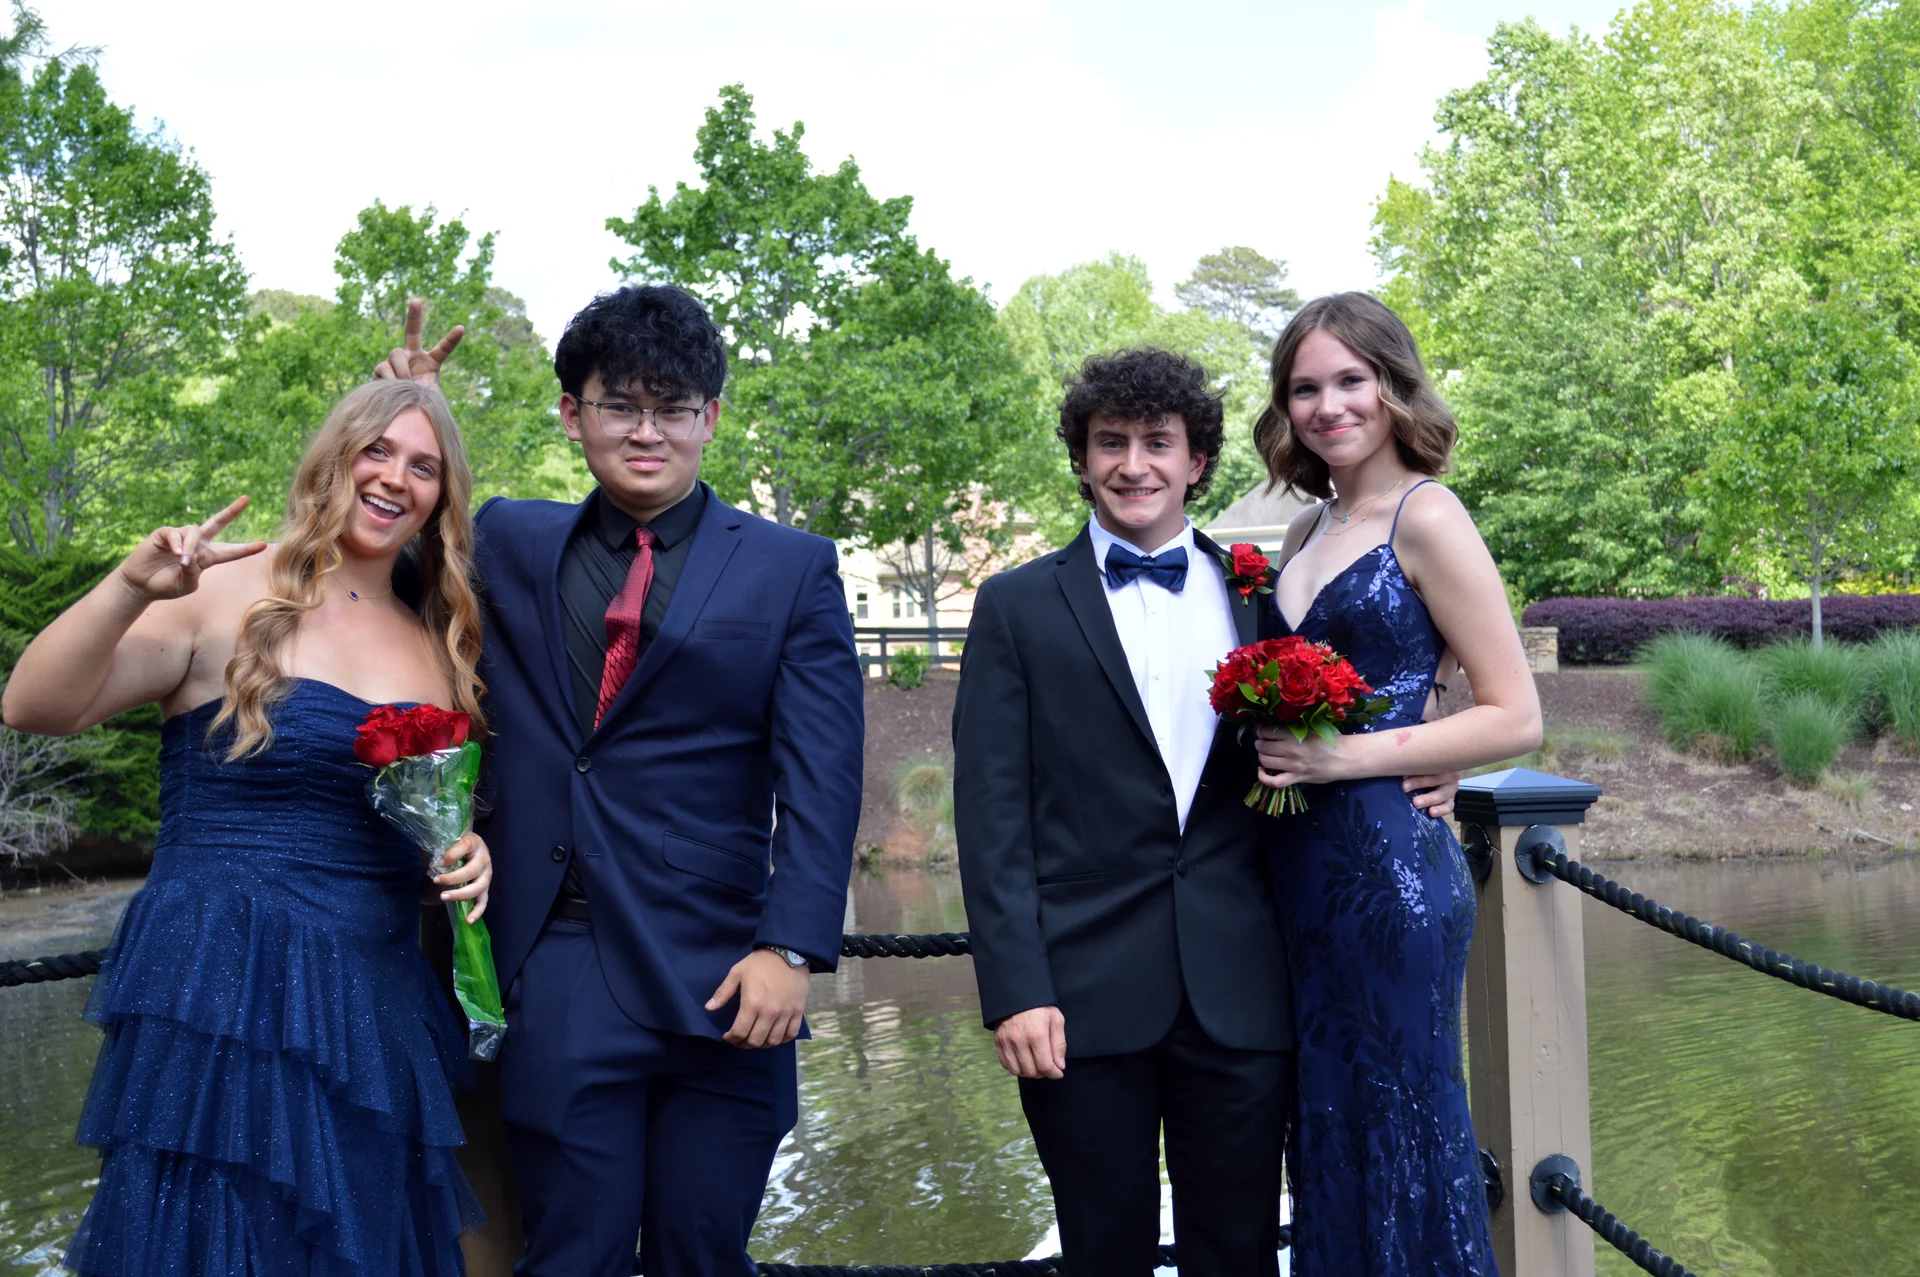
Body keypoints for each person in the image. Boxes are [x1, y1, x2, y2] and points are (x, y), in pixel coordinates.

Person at [376, 285, 864, 1277]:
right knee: (571, 1250)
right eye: (619, 406)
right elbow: (377, 558)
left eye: (673, 407)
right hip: (559, 958)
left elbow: (823, 775)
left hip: (729, 970)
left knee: (703, 1249)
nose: (647, 431)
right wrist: (410, 413)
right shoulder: (506, 539)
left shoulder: (792, 568)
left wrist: (792, 946)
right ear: (573, 414)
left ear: (710, 417)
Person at [952, 348, 1459, 1277]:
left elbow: (1375, 673)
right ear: (1081, 458)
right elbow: (989, 820)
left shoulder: (1262, 590)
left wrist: (1438, 747)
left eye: (1158, 442)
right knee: (1101, 1254)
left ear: (1197, 461)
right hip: (1077, 995)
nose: (1133, 464)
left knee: (1238, 1254)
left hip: (1244, 986)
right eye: (1110, 442)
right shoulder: (1015, 606)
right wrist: (1016, 988)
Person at [2, 379, 495, 1276]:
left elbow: (425, 823)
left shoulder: (437, 642)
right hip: (223, 988)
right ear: (333, 457)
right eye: (376, 450)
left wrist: (466, 850)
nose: (395, 478)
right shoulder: (221, 592)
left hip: (371, 1007)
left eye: (424, 466)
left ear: (443, 496)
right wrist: (129, 588)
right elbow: (34, 704)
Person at [1250, 292, 1543, 1275]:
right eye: (1305, 388)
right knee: (1327, 1124)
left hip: (1392, 873)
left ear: (1393, 385)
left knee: (1403, 1119)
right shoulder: (1304, 530)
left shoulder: (1430, 515)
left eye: (1351, 379)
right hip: (1298, 876)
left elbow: (1518, 712)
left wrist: (1350, 757)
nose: (1328, 405)